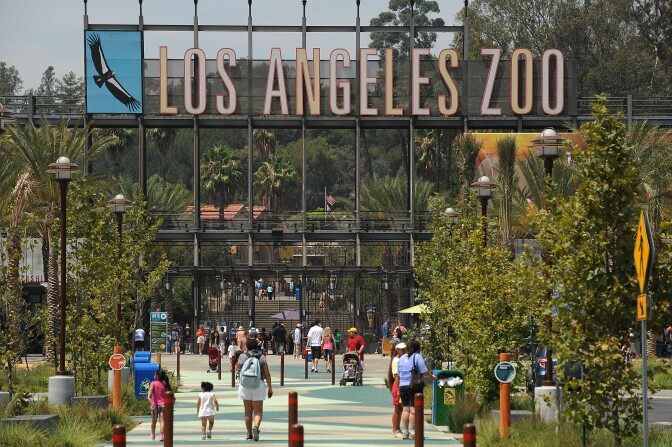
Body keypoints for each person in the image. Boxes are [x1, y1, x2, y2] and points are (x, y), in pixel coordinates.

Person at [397, 339, 436, 440]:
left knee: (405, 409)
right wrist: (431, 377)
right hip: (413, 386)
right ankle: (413, 432)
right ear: (417, 348)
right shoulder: (417, 357)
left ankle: (405, 431)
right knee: (413, 410)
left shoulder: (401, 358)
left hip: (403, 386)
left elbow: (399, 373)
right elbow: (424, 371)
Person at [236, 338, 273, 441]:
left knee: (247, 412)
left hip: (245, 385)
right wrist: (270, 387)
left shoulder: (243, 356)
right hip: (258, 384)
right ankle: (256, 427)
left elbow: (238, 367)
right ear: (257, 346)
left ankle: (249, 434)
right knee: (258, 411)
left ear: (246, 346)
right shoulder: (261, 357)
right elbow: (267, 373)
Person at [148, 368, 172, 441]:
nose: (154, 375)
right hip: (163, 405)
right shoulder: (164, 384)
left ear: (157, 376)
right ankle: (161, 435)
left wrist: (149, 397)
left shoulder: (153, 383)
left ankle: (153, 434)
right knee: (162, 421)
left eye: (155, 374)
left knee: (153, 421)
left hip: (154, 404)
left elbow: (150, 391)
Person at [388, 342, 406, 438]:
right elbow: (396, 376)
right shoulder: (396, 360)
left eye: (404, 349)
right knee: (398, 408)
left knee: (400, 408)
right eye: (401, 349)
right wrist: (398, 389)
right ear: (397, 350)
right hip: (398, 385)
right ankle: (395, 429)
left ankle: (398, 428)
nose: (403, 351)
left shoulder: (403, 359)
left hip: (402, 385)